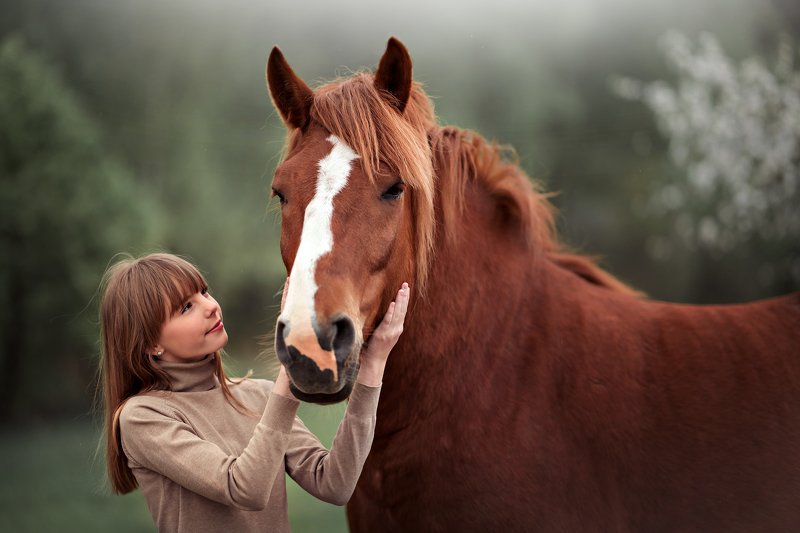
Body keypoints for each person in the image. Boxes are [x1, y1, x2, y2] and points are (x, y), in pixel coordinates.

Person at [98, 252, 409, 532]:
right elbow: (243, 488)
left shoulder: (259, 396)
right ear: (152, 344)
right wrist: (291, 369)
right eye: (186, 307)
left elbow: (334, 483)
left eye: (204, 291)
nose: (210, 306)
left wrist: (373, 364)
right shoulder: (142, 417)